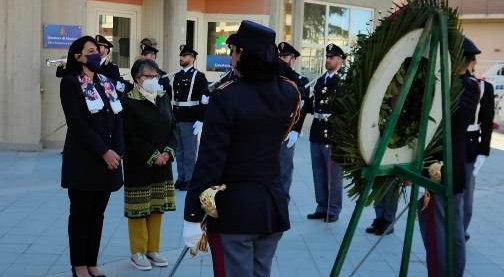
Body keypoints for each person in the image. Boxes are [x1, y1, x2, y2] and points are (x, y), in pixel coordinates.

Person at [182, 20, 299, 277]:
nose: (230, 57)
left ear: (242, 54)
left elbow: (211, 161)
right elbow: (285, 78)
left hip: (233, 212)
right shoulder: (288, 92)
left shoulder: (226, 96)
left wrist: (192, 213)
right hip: (271, 207)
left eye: (233, 51)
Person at [59, 35, 124, 277]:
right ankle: (79, 266)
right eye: (90, 51)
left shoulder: (106, 81)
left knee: (98, 214)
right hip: (84, 161)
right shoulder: (70, 83)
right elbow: (77, 124)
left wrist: (117, 150)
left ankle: (92, 263)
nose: (96, 54)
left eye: (97, 50)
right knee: (80, 215)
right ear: (78, 57)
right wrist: (104, 151)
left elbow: (118, 117)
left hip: (108, 161)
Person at [418, 36, 480, 277]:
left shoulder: (464, 86)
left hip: (442, 167)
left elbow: (447, 123)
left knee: (440, 232)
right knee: (448, 229)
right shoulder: (461, 84)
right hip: (447, 166)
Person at [121, 59, 177, 271]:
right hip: (139, 163)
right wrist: (153, 155)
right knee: (139, 209)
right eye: (148, 76)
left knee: (156, 208)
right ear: (137, 78)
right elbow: (129, 135)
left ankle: (153, 249)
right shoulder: (128, 101)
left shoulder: (163, 98)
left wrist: (168, 152)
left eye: (155, 76)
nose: (153, 80)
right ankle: (138, 251)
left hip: (163, 163)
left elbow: (173, 126)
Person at [305, 43, 345, 223]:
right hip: (317, 131)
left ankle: (334, 209)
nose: (328, 60)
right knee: (318, 171)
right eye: (327, 57)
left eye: (331, 57)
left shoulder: (344, 81)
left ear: (339, 60)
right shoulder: (321, 80)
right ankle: (321, 206)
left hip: (333, 133)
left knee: (333, 175)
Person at [462, 38, 495, 241]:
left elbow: (487, 122)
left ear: (473, 63)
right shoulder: (446, 84)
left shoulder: (484, 88)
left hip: (469, 147)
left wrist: (484, 151)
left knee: (466, 193)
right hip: (444, 146)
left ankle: (461, 228)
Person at [172, 44, 209, 191]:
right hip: (177, 117)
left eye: (185, 55)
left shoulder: (199, 76)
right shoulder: (177, 76)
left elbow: (204, 98)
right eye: (181, 55)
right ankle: (181, 178)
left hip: (190, 118)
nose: (181, 58)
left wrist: (200, 119)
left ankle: (189, 179)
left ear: (192, 58)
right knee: (179, 150)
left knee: (189, 151)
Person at [275, 41, 309, 201]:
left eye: (285, 56)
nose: (282, 59)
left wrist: (296, 130)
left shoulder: (300, 81)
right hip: (269, 130)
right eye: (280, 56)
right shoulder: (272, 79)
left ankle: (282, 202)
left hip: (288, 131)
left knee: (284, 169)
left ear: (293, 59)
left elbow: (301, 109)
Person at [57, 35, 131, 95]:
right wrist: (68, 63)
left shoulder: (112, 67)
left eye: (99, 47)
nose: (97, 50)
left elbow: (114, 86)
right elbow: (60, 73)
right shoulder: (86, 62)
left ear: (107, 49)